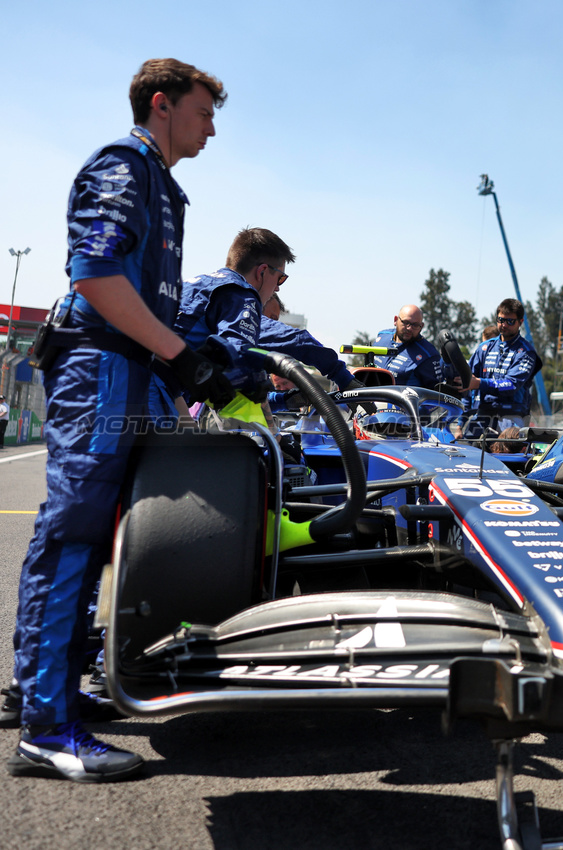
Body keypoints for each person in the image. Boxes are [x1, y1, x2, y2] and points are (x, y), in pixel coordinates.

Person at [8, 59, 233, 783]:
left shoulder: (163, 184)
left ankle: (58, 689)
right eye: (202, 112)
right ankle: (45, 725)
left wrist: (186, 356)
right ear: (161, 105)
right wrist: (178, 356)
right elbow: (95, 274)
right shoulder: (123, 164)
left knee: (99, 539)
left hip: (130, 371)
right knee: (73, 536)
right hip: (100, 368)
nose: (211, 127)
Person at [170, 228, 361, 400]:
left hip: (152, 381)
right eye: (280, 278)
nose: (277, 288)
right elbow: (291, 340)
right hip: (157, 392)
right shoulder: (240, 293)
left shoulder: (193, 285)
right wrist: (342, 377)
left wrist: (281, 400)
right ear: (262, 271)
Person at [462, 298, 542, 437]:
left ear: (520, 322)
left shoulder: (526, 352)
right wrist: (460, 422)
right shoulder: (485, 347)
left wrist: (479, 383)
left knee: (508, 452)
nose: (504, 324)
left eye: (510, 321)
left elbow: (511, 384)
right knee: (467, 450)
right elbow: (467, 381)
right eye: (500, 320)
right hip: (482, 414)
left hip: (511, 417)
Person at [372, 305, 449, 390]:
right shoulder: (382, 336)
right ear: (395, 320)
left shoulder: (429, 354)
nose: (409, 328)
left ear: (421, 326)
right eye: (405, 322)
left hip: (402, 402)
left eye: (415, 325)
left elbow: (437, 394)